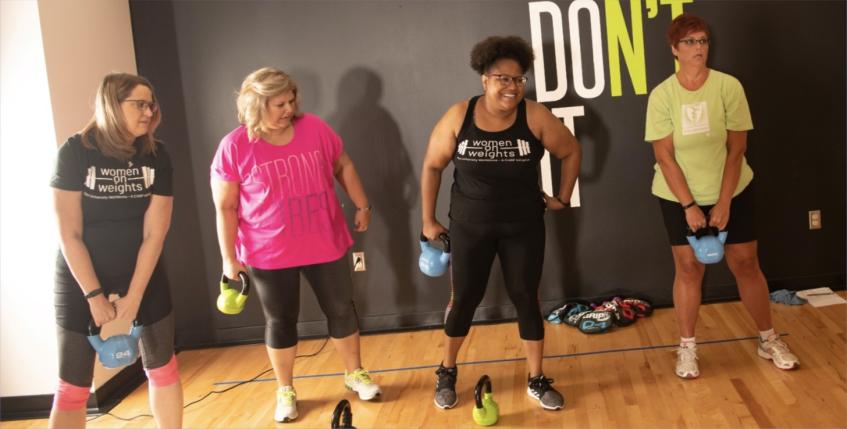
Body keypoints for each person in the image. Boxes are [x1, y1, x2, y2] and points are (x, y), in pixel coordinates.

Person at [211, 67, 381, 423]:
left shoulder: (315, 128)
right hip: (268, 251)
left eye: (291, 100)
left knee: (341, 309)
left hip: (325, 240)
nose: (289, 108)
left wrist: (362, 203)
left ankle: (355, 373)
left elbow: (343, 164)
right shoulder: (235, 146)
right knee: (281, 320)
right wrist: (229, 259)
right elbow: (226, 207)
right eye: (279, 104)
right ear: (256, 105)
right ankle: (285, 390)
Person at [421, 36, 581, 411]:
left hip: (522, 226)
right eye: (502, 79)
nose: (511, 87)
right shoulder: (459, 115)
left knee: (526, 298)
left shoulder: (535, 116)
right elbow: (432, 165)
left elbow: (571, 150)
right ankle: (447, 370)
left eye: (518, 79)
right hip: (469, 227)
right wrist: (427, 220)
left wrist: (561, 197)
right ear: (484, 79)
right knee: (463, 301)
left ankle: (536, 378)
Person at [645, 13, 800, 379]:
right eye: (690, 42)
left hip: (733, 189)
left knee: (746, 264)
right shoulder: (663, 95)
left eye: (703, 41)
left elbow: (737, 149)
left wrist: (725, 201)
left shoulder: (728, 86)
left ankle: (769, 338)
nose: (699, 48)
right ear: (674, 49)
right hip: (678, 194)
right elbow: (664, 156)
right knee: (688, 268)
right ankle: (687, 347)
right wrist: (690, 206)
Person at [49, 73, 182, 428]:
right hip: (81, 275)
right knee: (73, 385)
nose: (149, 111)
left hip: (142, 271)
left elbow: (156, 232)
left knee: (163, 367)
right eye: (140, 103)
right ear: (111, 103)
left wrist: (135, 295)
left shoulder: (157, 154)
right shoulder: (75, 152)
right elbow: (69, 233)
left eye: (151, 104)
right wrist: (93, 295)